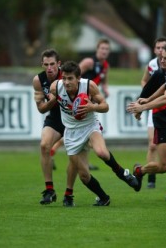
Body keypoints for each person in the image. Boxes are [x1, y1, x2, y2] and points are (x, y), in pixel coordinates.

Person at [49, 60, 140, 206]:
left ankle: (122, 173)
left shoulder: (88, 86)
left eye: (70, 78)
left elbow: (105, 106)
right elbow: (48, 101)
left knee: (102, 153)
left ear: (78, 78)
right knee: (84, 176)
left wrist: (92, 107)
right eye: (64, 78)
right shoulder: (56, 87)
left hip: (90, 126)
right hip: (71, 132)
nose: (66, 82)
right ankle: (103, 197)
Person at [127, 44, 166, 205]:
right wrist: (148, 100)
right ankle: (141, 172)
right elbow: (165, 87)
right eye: (161, 57)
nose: (161, 60)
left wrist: (142, 107)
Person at [50, 38, 111, 170]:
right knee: (77, 131)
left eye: (107, 49)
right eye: (102, 48)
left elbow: (104, 81)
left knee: (86, 132)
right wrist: (76, 95)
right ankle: (52, 152)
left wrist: (105, 89)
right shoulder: (89, 62)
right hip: (76, 100)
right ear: (97, 50)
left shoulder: (105, 66)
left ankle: (84, 163)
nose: (104, 51)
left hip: (89, 101)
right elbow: (74, 74)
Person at [33, 49, 77, 206]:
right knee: (44, 145)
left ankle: (68, 193)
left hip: (73, 119)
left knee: (74, 157)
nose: (49, 68)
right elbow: (41, 109)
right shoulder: (38, 80)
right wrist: (53, 100)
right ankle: (49, 190)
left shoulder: (67, 76)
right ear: (42, 65)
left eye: (52, 64)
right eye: (46, 65)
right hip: (55, 118)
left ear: (59, 64)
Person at [140, 36, 166, 188]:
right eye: (158, 48)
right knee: (152, 146)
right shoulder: (154, 66)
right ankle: (150, 178)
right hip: (157, 110)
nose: (161, 51)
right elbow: (146, 82)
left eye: (164, 47)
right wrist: (145, 101)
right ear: (154, 49)